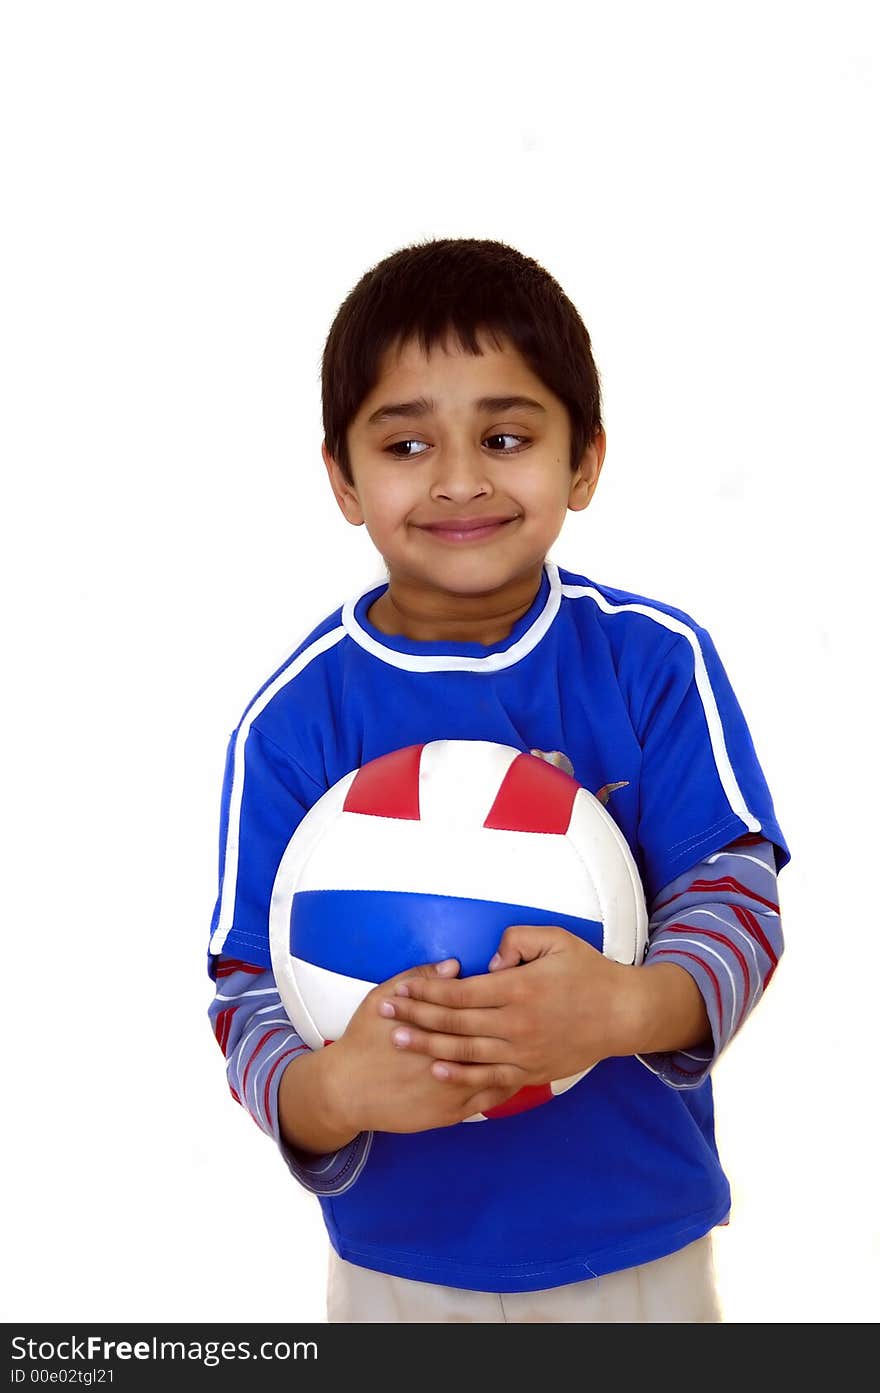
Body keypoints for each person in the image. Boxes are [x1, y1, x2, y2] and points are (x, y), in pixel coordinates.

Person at [206, 237, 790, 1323]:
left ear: (584, 462)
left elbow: (734, 897)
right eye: (408, 442)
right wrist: (326, 1093)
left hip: (635, 1242)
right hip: (397, 1263)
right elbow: (245, 986)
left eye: (507, 436)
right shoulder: (297, 720)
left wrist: (624, 1006)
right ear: (341, 476)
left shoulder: (651, 662)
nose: (460, 478)